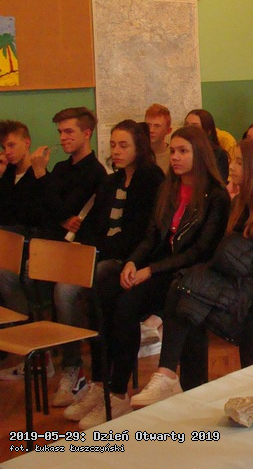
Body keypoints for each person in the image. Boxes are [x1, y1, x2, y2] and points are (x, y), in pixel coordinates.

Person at [130, 138, 253, 407]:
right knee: (182, 289)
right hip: (244, 272)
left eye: (239, 162)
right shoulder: (240, 199)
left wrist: (228, 270)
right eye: (233, 160)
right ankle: (175, 378)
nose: (231, 167)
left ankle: (182, 380)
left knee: (194, 296)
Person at [81, 126, 230, 429]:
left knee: (131, 303)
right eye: (172, 151)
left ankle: (149, 383)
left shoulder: (216, 196)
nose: (175, 157)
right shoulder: (169, 188)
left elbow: (199, 251)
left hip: (189, 274)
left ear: (200, 154)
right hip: (162, 267)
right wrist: (133, 262)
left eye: (183, 151)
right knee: (108, 291)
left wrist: (150, 270)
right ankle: (113, 390)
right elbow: (152, 236)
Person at [60, 120, 164, 418]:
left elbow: (145, 234)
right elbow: (96, 227)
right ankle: (99, 383)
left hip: (138, 263)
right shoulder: (111, 182)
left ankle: (116, 389)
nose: (116, 151)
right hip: (109, 261)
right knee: (89, 292)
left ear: (139, 147)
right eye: (113, 144)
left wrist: (112, 256)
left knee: (109, 293)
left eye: (123, 145)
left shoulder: (152, 179)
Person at [0, 107, 106, 387]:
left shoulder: (95, 171)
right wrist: (61, 217)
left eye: (69, 131)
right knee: (19, 275)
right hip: (54, 246)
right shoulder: (60, 168)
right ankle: (38, 355)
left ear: (87, 133)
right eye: (60, 132)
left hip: (78, 251)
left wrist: (40, 175)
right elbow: (46, 210)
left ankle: (73, 367)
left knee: (63, 292)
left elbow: (63, 207)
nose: (62, 138)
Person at [0, 120, 44, 233]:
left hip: (25, 237)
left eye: (11, 145)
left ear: (27, 143)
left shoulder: (39, 176)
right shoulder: (6, 173)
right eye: (4, 147)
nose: (7, 152)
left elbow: (34, 219)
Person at [185, 109, 229, 182]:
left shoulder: (218, 154)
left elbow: (219, 183)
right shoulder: (179, 151)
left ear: (208, 131)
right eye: (186, 125)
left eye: (195, 126)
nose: (188, 130)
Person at [144, 103, 172, 175]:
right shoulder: (137, 154)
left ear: (168, 130)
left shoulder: (173, 155)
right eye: (148, 125)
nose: (151, 130)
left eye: (157, 126)